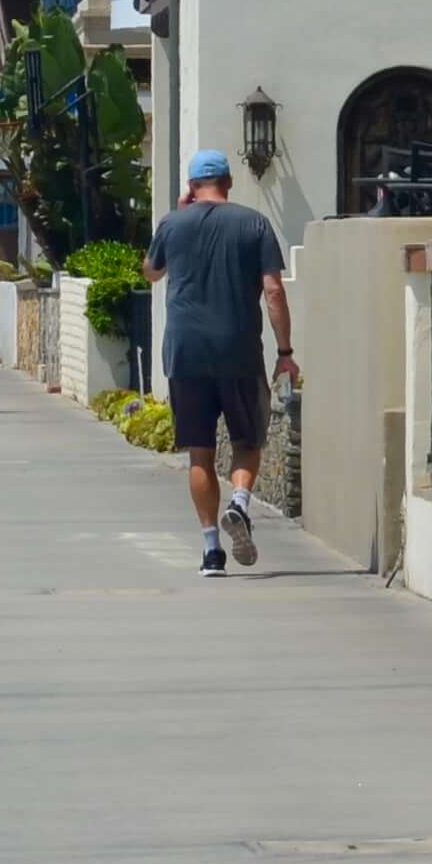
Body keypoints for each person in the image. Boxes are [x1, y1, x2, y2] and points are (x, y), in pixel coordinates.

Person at [150, 149, 296, 575]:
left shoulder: (172, 224)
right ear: (229, 182)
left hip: (185, 352)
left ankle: (212, 550)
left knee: (200, 453)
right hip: (239, 351)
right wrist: (285, 353)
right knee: (247, 441)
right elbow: (274, 291)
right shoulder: (254, 223)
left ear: (192, 186)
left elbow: (150, 272)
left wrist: (179, 213)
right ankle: (240, 502)